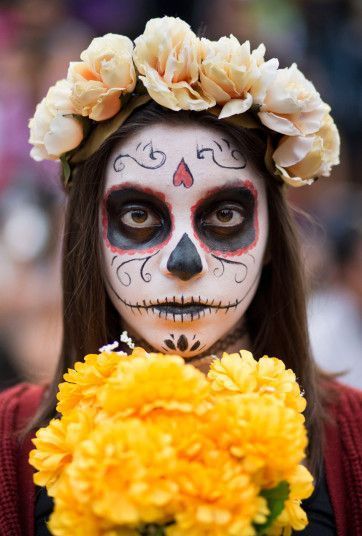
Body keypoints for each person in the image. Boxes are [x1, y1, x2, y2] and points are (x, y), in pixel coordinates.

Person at [0, 16, 361, 536]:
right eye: (140, 216)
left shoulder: (355, 440)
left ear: (271, 243)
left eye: (225, 215)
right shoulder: (10, 447)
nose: (183, 262)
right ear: (89, 242)